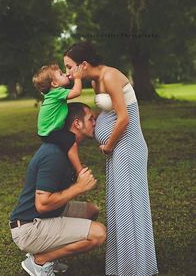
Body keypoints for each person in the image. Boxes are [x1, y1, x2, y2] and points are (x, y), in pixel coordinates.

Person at [64, 41, 158, 276]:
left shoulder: (111, 76)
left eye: (69, 67)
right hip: (118, 148)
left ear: (83, 64)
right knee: (120, 202)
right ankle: (123, 262)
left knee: (129, 203)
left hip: (127, 146)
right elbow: (110, 111)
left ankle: (135, 266)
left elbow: (124, 118)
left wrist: (109, 145)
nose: (68, 72)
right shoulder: (95, 80)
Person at [9, 102, 106, 276]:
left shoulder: (67, 150)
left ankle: (48, 256)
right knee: (98, 233)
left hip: (44, 217)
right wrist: (79, 187)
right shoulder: (54, 155)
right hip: (29, 228)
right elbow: (42, 204)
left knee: (91, 210)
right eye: (91, 119)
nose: (95, 123)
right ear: (77, 123)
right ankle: (40, 261)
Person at [32, 63, 84, 175]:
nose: (65, 74)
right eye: (61, 74)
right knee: (72, 141)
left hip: (46, 131)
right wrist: (78, 78)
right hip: (50, 132)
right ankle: (79, 170)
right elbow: (77, 92)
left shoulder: (53, 93)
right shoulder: (56, 93)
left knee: (66, 141)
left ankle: (70, 166)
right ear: (55, 83)